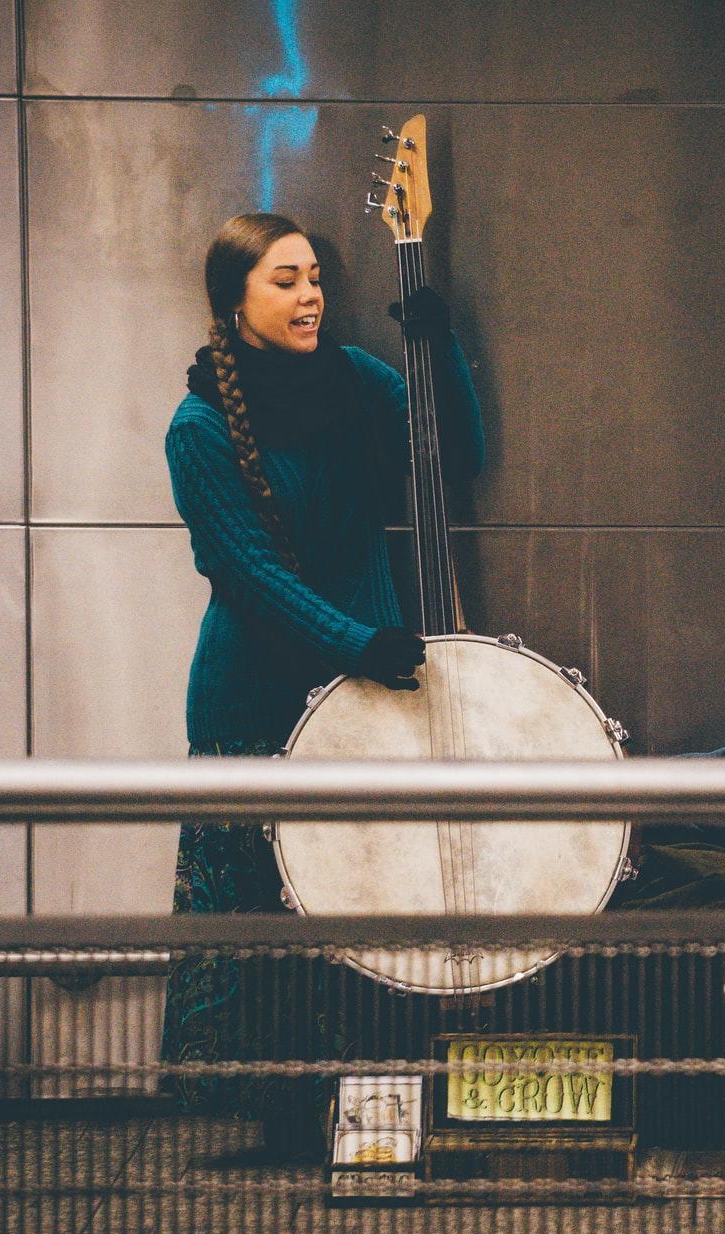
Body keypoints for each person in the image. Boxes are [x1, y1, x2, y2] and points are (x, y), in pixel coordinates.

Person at [158, 212, 484, 1133]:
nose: (310, 298)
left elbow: (454, 455)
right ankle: (261, 1116)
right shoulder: (198, 425)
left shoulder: (350, 377)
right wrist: (360, 642)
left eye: (314, 279)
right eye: (285, 281)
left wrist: (434, 343)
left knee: (357, 900)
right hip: (256, 700)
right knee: (256, 919)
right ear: (235, 303)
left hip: (360, 687)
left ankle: (356, 1111)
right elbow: (250, 577)